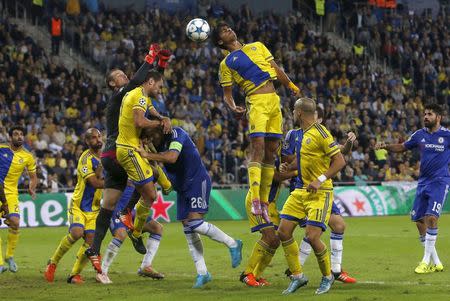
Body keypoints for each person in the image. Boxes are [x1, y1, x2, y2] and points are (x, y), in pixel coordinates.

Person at [212, 22, 300, 287]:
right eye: (223, 31)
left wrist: (293, 87)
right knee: (259, 148)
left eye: (229, 27)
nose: (229, 29)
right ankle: (257, 200)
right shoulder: (227, 63)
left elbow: (277, 70)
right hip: (256, 101)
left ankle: (251, 275)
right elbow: (227, 94)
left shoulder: (257, 46)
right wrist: (233, 107)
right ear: (219, 42)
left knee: (272, 150)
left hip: (274, 100)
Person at [84, 44, 171, 278]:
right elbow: (141, 82)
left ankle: (94, 249)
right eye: (120, 76)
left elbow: (151, 89)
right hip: (119, 149)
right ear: (113, 84)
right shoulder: (121, 95)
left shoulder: (132, 97)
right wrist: (151, 58)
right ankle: (133, 227)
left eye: (125, 74)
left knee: (107, 206)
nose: (126, 76)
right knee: (150, 179)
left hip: (109, 155)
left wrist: (160, 65)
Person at [137, 126, 243, 288]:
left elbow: (172, 157)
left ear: (159, 130)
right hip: (182, 187)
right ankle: (202, 273)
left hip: (196, 181)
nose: (149, 140)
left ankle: (233, 243)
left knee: (195, 223)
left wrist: (147, 154)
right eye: (146, 138)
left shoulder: (176, 134)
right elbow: (157, 166)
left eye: (150, 136)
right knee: (189, 230)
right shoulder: (156, 145)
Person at [278, 98, 346, 295]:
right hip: (301, 191)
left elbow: (340, 161)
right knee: (283, 232)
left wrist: (320, 179)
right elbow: (303, 160)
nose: (291, 112)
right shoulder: (302, 134)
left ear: (299, 113)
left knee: (312, 236)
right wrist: (288, 166)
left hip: (320, 192)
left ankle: (327, 277)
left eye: (293, 110)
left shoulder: (321, 132)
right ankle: (298, 277)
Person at [375, 103, 449, 274]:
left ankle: (425, 262)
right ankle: (436, 261)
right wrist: (386, 146)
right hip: (423, 182)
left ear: (438, 117)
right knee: (419, 220)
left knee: (431, 218)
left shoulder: (447, 136)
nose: (425, 117)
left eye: (429, 114)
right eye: (425, 114)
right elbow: (402, 147)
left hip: (439, 182)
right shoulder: (419, 135)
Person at [44, 128, 104, 283]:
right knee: (77, 233)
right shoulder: (85, 159)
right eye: (93, 138)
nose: (97, 140)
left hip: (94, 208)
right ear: (87, 141)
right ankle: (53, 262)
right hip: (78, 205)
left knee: (90, 239)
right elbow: (95, 183)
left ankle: (74, 274)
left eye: (99, 136)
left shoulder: (106, 158)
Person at [99, 181, 164, 284]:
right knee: (121, 234)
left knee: (157, 228)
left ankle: (146, 266)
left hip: (131, 209)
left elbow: (151, 193)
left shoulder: (139, 168)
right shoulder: (118, 166)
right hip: (116, 207)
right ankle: (102, 272)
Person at [0, 126, 37, 273]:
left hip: (10, 194)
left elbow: (34, 178)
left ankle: (9, 256)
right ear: (10, 137)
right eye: (16, 134)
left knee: (15, 222)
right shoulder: (1, 148)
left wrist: (32, 187)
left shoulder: (27, 156)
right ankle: (0, 263)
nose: (19, 136)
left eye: (21, 134)